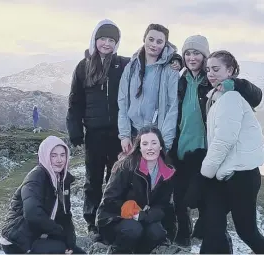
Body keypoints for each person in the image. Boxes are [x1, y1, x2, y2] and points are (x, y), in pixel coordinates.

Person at [66, 20, 182, 234]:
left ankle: (122, 220)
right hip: (98, 132)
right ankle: (94, 222)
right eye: (103, 39)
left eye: (112, 40)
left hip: (123, 134)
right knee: (93, 179)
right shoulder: (84, 67)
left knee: (120, 180)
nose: (107, 44)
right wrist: (75, 131)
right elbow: (76, 101)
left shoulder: (122, 64)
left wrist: (176, 57)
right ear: (95, 39)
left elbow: (156, 59)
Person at [169, 35, 263, 248]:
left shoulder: (216, 83)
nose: (192, 58)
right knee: (181, 200)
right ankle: (184, 238)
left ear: (205, 56)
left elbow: (255, 96)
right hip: (182, 151)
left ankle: (219, 244)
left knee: (211, 211)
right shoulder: (180, 81)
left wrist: (235, 83)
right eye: (188, 53)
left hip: (206, 154)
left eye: (197, 53)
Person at [200, 50, 264, 254]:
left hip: (241, 177)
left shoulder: (231, 97)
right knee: (212, 226)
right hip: (225, 174)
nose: (211, 74)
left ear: (230, 71)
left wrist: (205, 173)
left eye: (216, 69)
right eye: (208, 70)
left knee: (247, 232)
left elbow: (224, 140)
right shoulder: (218, 97)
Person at [95, 126, 175, 254]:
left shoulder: (167, 172)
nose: (150, 147)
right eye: (145, 143)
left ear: (160, 146)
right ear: (139, 147)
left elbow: (163, 205)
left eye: (154, 143)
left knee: (157, 232)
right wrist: (133, 211)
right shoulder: (126, 166)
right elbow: (110, 199)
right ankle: (117, 251)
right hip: (114, 218)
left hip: (144, 218)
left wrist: (145, 216)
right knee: (133, 229)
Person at [0, 136, 85, 254]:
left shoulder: (62, 179)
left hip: (40, 235)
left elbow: (65, 214)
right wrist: (59, 232)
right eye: (53, 155)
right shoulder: (36, 177)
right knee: (60, 250)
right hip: (18, 240)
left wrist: (70, 241)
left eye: (62, 155)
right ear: (44, 156)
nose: (59, 160)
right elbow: (32, 213)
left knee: (77, 253)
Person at [118, 23, 179, 154]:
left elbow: (172, 107)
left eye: (159, 41)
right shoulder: (132, 67)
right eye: (151, 39)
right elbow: (123, 102)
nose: (154, 45)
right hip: (133, 135)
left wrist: (165, 144)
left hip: (156, 137)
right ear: (144, 39)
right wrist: (124, 135)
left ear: (165, 44)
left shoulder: (170, 70)